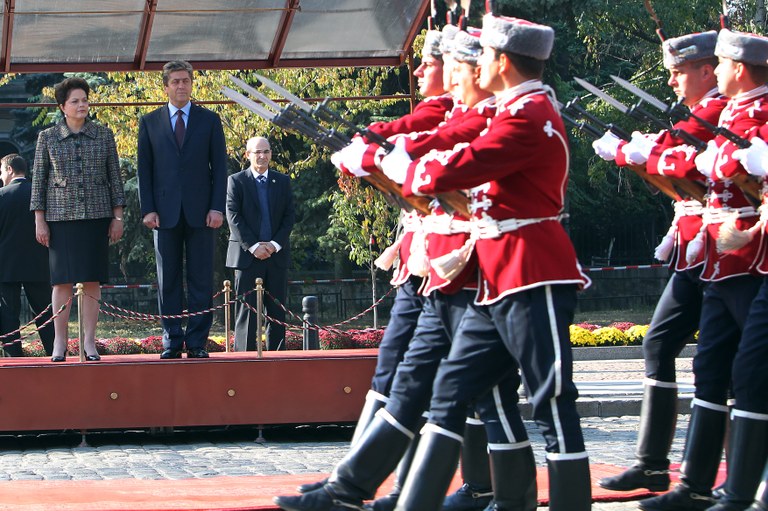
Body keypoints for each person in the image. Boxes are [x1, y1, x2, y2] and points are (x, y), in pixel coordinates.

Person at [638, 28, 768, 511]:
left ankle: (740, 491)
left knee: (751, 375)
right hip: (719, 257)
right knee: (711, 368)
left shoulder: (758, 111)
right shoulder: (733, 111)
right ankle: (695, 485)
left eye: (725, 63)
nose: (717, 70)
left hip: (748, 256)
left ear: (739, 68)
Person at [591, 31, 725, 493]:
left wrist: (639, 151)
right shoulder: (703, 110)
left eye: (677, 71)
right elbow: (671, 153)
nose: (670, 81)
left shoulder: (720, 108)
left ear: (707, 70)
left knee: (721, 364)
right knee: (660, 344)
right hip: (695, 246)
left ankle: (700, 477)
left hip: (723, 247)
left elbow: (679, 155)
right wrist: (636, 152)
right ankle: (653, 463)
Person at [30, 77, 126, 362]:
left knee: (92, 280)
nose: (82, 105)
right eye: (75, 101)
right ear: (63, 106)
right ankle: (60, 343)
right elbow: (39, 182)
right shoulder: (47, 137)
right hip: (60, 218)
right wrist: (40, 220)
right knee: (61, 282)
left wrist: (117, 216)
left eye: (84, 99)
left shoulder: (103, 134)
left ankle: (89, 342)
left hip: (97, 216)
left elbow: (115, 179)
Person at [137, 60, 228, 359]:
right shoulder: (149, 122)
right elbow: (144, 170)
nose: (180, 86)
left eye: (185, 81)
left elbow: (220, 168)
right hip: (163, 214)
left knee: (201, 279)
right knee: (169, 280)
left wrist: (217, 207)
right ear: (165, 86)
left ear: (192, 84)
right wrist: (147, 209)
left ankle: (198, 342)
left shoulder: (209, 120)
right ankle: (172, 340)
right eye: (175, 81)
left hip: (202, 213)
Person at [226, 136, 295, 351]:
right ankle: (243, 361)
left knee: (276, 311)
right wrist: (255, 246)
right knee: (247, 312)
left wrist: (274, 245)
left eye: (266, 151)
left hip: (276, 256)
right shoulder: (236, 181)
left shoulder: (282, 182)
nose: (262, 156)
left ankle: (277, 360)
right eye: (257, 152)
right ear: (247, 155)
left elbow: (289, 216)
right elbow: (233, 216)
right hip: (247, 257)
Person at [0, 154, 54, 357]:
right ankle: (54, 351)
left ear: (10, 170)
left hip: (6, 264)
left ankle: (13, 356)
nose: (1, 176)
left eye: (1, 171)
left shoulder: (1, 195)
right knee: (44, 311)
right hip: (37, 262)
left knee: (8, 313)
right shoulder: (39, 194)